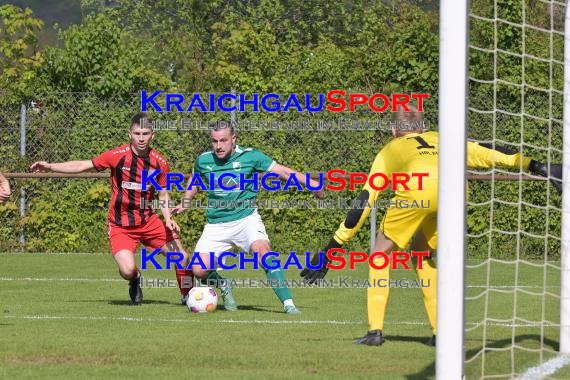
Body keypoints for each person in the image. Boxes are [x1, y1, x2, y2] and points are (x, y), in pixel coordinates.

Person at [301, 105, 562, 345]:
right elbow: (490, 152)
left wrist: (331, 249)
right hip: (456, 193)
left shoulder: (390, 150)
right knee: (421, 253)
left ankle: (375, 331)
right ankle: (440, 332)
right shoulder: (443, 139)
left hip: (418, 191)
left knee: (380, 254)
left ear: (394, 131)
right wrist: (536, 165)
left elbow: (364, 202)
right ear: (423, 128)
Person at [31, 112, 194, 305]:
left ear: (153, 135)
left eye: (145, 133)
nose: (141, 138)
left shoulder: (160, 162)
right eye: (137, 133)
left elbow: (163, 194)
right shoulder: (117, 156)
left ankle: (188, 296)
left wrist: (167, 219)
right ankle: (135, 279)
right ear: (129, 134)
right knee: (127, 270)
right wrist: (50, 166)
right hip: (120, 225)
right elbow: (83, 165)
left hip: (149, 222)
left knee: (182, 258)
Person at [174, 124, 324, 314]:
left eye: (223, 140)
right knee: (198, 270)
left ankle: (289, 305)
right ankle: (223, 284)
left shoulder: (251, 156)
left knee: (264, 254)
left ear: (234, 139)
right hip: (216, 224)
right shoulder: (203, 160)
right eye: (214, 141)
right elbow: (195, 180)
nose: (218, 146)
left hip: (246, 220)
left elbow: (284, 172)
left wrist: (311, 183)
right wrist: (186, 201)